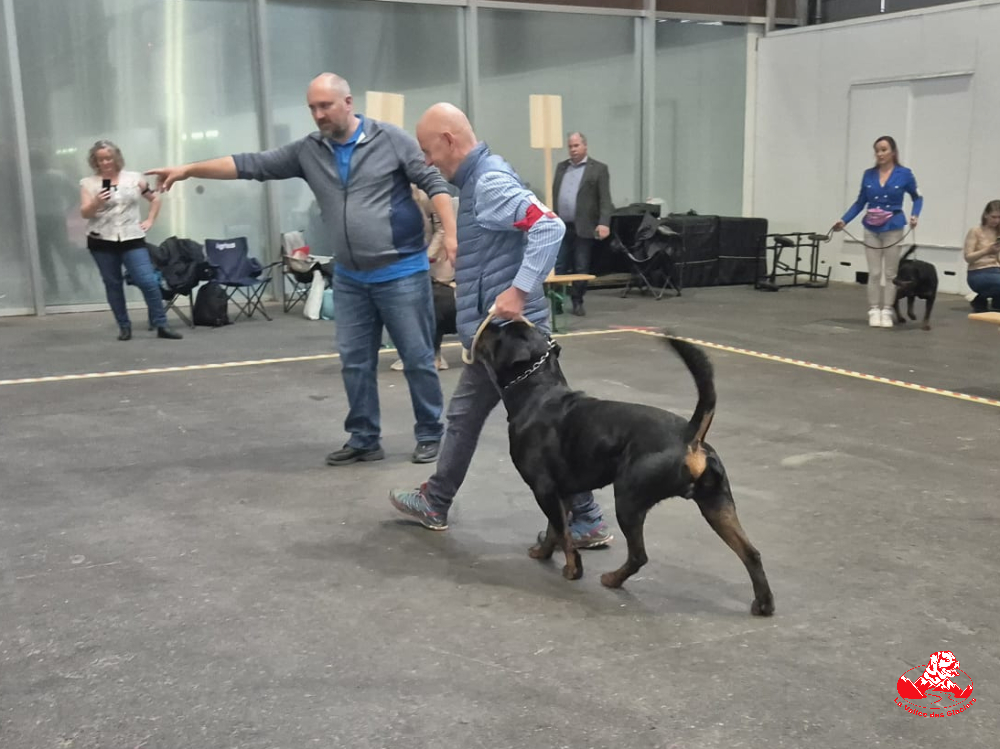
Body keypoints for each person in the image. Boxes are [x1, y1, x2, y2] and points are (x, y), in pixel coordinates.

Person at [147, 73, 456, 466]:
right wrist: (189, 169)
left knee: (416, 357)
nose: (318, 114)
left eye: (325, 105)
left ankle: (430, 432)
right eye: (312, 107)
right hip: (351, 278)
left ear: (348, 103)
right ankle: (364, 438)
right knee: (355, 361)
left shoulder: (390, 139)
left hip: (401, 272)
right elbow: (249, 165)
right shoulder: (309, 151)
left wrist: (452, 235)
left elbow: (434, 182)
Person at [389, 103, 612, 548]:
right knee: (466, 419)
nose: (428, 163)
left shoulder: (487, 182)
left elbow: (548, 228)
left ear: (450, 142)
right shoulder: (480, 181)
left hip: (516, 343)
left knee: (544, 430)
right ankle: (438, 500)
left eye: (429, 152)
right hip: (498, 342)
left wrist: (518, 290)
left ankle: (585, 518)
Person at [78, 140, 181, 341]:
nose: (105, 162)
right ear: (95, 162)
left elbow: (155, 199)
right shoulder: (88, 183)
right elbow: (85, 213)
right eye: (100, 160)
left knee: (148, 280)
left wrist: (150, 220)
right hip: (101, 239)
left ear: (116, 157)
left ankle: (161, 324)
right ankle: (124, 326)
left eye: (108, 158)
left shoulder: (135, 179)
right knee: (113, 284)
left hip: (131, 237)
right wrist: (97, 202)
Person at [833, 135, 923, 329]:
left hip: (894, 227)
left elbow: (917, 197)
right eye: (877, 150)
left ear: (893, 152)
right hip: (871, 227)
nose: (880, 154)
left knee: (891, 273)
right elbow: (860, 202)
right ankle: (874, 309)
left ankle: (887, 310)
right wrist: (844, 220)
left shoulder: (904, 174)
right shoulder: (868, 175)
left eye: (883, 149)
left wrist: (915, 215)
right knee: (874, 272)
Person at [391, 185, 455, 371]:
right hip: (405, 262)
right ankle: (415, 354)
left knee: (436, 313)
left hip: (435, 261)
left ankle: (435, 357)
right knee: (410, 311)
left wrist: (427, 256)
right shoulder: (387, 199)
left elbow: (442, 229)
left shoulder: (427, 197)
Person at [551, 132, 613, 317]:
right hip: (561, 226)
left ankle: (578, 301)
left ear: (585, 146)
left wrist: (604, 223)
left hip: (584, 226)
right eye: (570, 146)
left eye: (576, 146)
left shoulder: (599, 169)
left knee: (581, 266)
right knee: (559, 266)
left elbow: (605, 200)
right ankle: (557, 303)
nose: (573, 150)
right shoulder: (561, 168)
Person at [963, 200, 1000, 312]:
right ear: (985, 215)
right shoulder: (975, 231)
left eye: (999, 217)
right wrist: (987, 251)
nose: (996, 221)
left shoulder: (998, 233)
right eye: (993, 217)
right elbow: (968, 257)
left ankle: (995, 301)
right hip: (978, 271)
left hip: (996, 269)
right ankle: (981, 298)